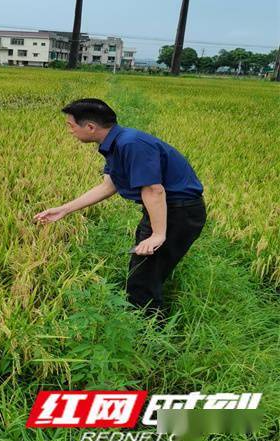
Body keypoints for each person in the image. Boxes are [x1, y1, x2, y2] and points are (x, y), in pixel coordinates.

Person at [33, 98, 207, 321]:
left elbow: (154, 190)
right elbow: (109, 185)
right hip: (166, 211)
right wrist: (64, 210)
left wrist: (158, 234)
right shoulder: (115, 143)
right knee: (145, 271)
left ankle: (149, 335)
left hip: (178, 212)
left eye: (71, 126)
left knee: (142, 280)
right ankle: (147, 321)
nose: (70, 131)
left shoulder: (131, 144)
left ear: (90, 127)